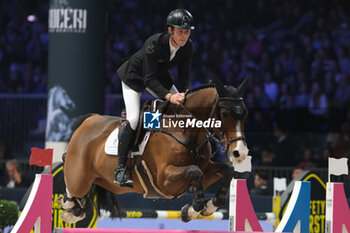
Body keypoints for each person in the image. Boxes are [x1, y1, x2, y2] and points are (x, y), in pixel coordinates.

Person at [115, 9, 195, 187]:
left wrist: (186, 93)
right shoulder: (154, 44)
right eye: (181, 31)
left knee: (183, 108)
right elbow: (147, 79)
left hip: (159, 78)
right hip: (134, 78)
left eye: (187, 31)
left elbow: (184, 76)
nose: (184, 36)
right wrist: (169, 96)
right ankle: (120, 169)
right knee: (134, 118)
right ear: (170, 30)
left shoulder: (188, 47)